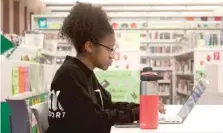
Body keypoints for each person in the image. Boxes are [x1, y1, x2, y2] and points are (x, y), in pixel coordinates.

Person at [46, 2, 165, 133]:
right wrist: (137, 112)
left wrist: (144, 107)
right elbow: (97, 120)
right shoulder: (69, 75)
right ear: (89, 46)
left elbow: (108, 106)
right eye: (110, 49)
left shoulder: (84, 73)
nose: (113, 56)